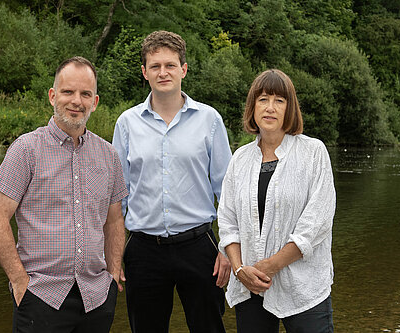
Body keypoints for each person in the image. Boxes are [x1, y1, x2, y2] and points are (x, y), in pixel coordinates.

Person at [0, 56, 128, 333]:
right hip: (40, 297)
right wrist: (18, 281)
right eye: (68, 92)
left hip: (96, 298)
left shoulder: (108, 155)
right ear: (53, 96)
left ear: (95, 102)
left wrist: (113, 274)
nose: (76, 101)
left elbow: (114, 221)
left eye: (85, 94)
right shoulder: (26, 150)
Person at [112, 30, 232, 333]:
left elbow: (228, 192)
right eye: (155, 66)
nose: (162, 72)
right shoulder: (127, 124)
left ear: (184, 69)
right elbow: (116, 196)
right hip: (143, 250)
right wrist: (114, 254)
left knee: (209, 327)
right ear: (144, 72)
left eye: (170, 65)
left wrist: (228, 250)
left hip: (199, 246)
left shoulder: (210, 120)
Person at [217, 69, 336, 333]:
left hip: (303, 288)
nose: (270, 108)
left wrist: (269, 266)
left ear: (289, 108)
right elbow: (227, 221)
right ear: (252, 107)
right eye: (263, 100)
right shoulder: (240, 158)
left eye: (279, 101)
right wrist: (239, 270)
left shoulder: (313, 153)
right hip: (250, 288)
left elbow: (316, 224)